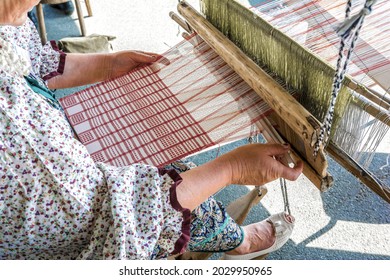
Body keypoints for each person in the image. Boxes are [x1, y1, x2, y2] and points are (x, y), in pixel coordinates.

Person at [0, 0, 303, 260]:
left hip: (65, 191)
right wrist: (233, 168)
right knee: (186, 198)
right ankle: (243, 242)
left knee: (169, 173)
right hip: (75, 238)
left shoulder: (7, 20)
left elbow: (34, 59)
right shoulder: (12, 135)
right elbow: (117, 218)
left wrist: (109, 64)